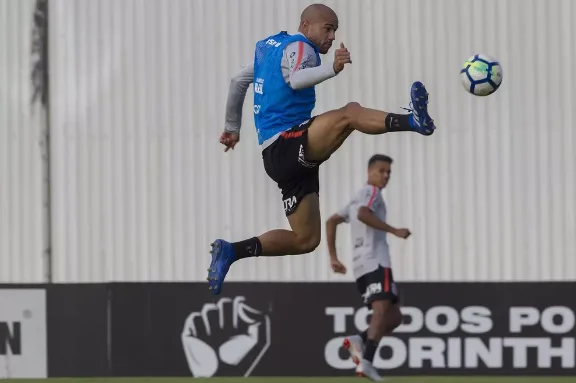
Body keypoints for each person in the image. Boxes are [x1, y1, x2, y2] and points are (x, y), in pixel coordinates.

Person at [207, 3, 435, 296]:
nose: (331, 36)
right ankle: (412, 121)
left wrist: (232, 128)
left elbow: (238, 81)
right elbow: (297, 79)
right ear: (305, 26)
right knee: (350, 113)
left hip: (277, 156)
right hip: (287, 142)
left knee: (306, 239)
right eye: (327, 29)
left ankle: (232, 251)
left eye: (335, 30)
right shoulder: (303, 47)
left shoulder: (270, 50)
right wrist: (333, 67)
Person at [325, 154, 410, 381]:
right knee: (382, 310)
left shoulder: (356, 197)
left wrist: (333, 257)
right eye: (382, 171)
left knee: (394, 318)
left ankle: (359, 340)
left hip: (359, 265)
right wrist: (394, 230)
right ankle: (368, 361)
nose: (386, 176)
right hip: (376, 260)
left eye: (389, 172)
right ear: (369, 172)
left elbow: (331, 221)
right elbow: (363, 214)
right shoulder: (372, 193)